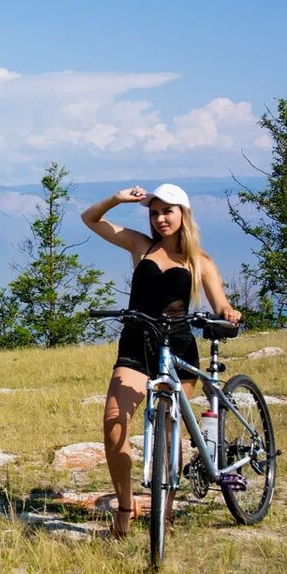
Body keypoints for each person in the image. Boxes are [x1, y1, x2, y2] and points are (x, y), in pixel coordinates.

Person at [81, 183, 241, 538]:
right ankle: (126, 507)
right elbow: (90, 218)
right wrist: (116, 199)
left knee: (169, 428)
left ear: (183, 213)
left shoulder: (200, 260)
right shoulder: (141, 245)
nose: (160, 218)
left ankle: (164, 512)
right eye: (154, 213)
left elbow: (221, 305)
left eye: (167, 211)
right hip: (137, 343)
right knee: (113, 422)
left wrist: (229, 313)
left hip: (179, 347)